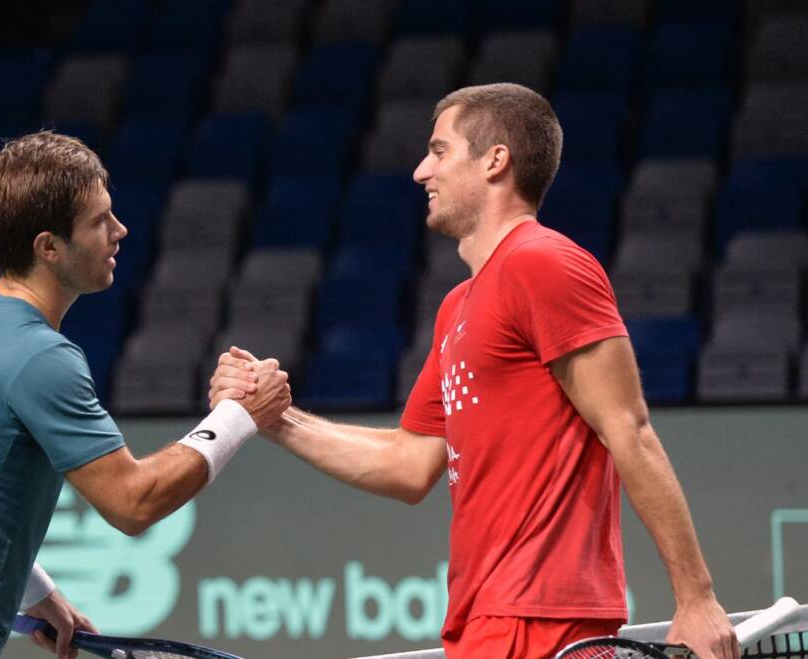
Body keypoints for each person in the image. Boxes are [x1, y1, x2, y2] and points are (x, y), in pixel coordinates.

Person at [209, 83, 739, 659]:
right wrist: (276, 418)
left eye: (438, 152)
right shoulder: (457, 307)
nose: (419, 172)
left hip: (543, 621)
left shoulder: (546, 263)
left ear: (495, 160)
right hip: (482, 621)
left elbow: (629, 431)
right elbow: (408, 465)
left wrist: (696, 598)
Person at [0, 131, 291, 659]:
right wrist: (238, 415)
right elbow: (134, 502)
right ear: (49, 246)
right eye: (99, 221)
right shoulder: (42, 359)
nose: (120, 230)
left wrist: (37, 592)